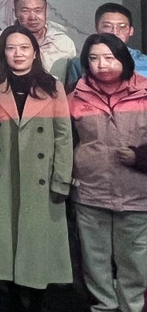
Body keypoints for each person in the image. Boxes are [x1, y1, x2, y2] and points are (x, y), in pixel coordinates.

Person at [0, 25, 71, 312]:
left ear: (35, 52)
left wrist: (61, 179)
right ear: (2, 53)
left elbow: (63, 136)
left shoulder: (53, 86)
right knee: (3, 244)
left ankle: (37, 301)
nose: (18, 54)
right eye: (11, 48)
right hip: (3, 175)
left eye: (24, 47)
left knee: (37, 245)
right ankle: (13, 300)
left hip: (40, 177)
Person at [69, 34, 147, 312]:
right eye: (93, 58)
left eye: (109, 57)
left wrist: (140, 157)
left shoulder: (145, 92)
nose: (101, 64)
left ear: (123, 59)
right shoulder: (74, 96)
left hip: (137, 192)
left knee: (134, 260)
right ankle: (103, 306)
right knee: (94, 259)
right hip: (90, 191)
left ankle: (132, 307)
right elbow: (64, 142)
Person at [0, 0, 76, 82]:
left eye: (38, 11)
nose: (33, 17)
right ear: (15, 13)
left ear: (46, 11)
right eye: (25, 11)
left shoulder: (63, 42)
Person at [65, 2, 147, 91]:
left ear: (131, 31)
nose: (115, 32)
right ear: (96, 29)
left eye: (122, 26)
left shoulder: (144, 62)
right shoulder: (79, 64)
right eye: (107, 26)